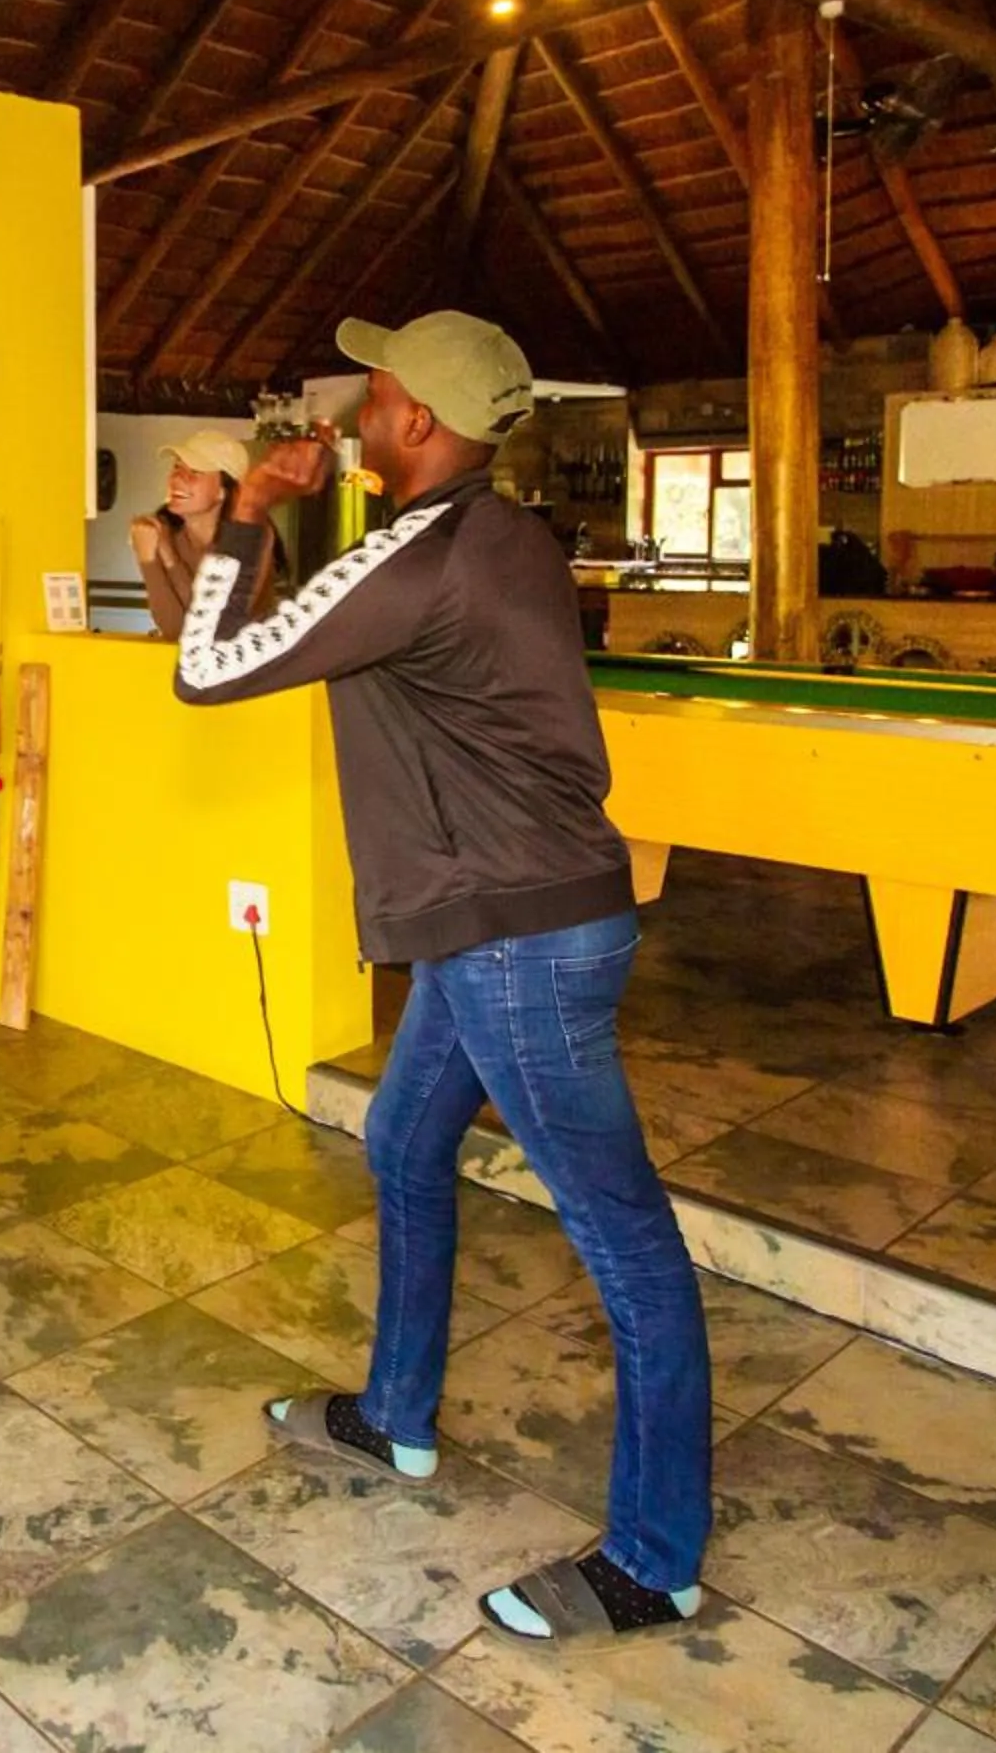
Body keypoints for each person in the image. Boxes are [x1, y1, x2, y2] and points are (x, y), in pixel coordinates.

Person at [171, 311, 712, 1651]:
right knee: (407, 1141)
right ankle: (394, 1418)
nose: (353, 410)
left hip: (511, 944)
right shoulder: (498, 531)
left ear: (418, 424)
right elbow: (311, 622)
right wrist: (234, 532)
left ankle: (655, 1562)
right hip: (513, 924)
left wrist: (246, 509)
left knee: (630, 1249)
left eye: (374, 392)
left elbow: (208, 668)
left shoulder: (420, 558)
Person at [129, 429, 280, 639]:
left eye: (196, 472)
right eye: (177, 467)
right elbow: (174, 629)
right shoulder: (168, 534)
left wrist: (167, 556)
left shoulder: (253, 537)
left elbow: (215, 629)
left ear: (222, 491)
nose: (177, 478)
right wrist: (148, 560)